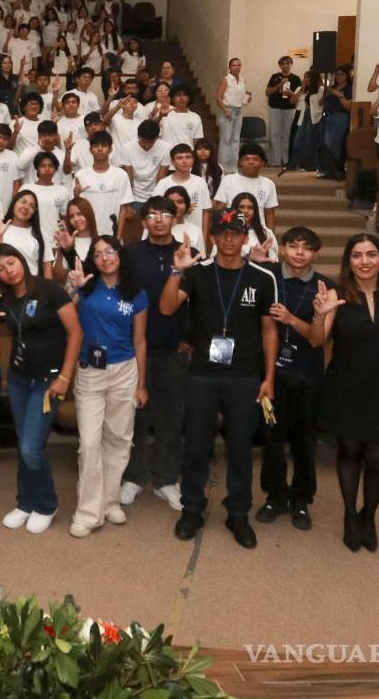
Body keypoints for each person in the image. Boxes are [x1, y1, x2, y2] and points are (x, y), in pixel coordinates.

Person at [160, 208, 277, 549]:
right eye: (222, 233)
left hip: (245, 375)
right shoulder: (196, 274)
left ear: (245, 238)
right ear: (212, 238)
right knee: (196, 445)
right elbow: (167, 308)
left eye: (236, 233)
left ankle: (237, 513)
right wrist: (175, 272)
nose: (229, 238)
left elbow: (269, 330)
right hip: (203, 374)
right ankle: (192, 509)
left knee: (241, 447)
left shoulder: (261, 277)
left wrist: (268, 378)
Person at [313, 234, 379, 552]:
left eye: (371, 254)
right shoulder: (336, 296)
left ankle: (368, 514)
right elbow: (317, 342)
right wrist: (319, 313)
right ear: (349, 262)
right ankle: (349, 515)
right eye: (357, 255)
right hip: (346, 386)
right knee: (350, 453)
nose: (365, 261)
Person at [0, 244, 82, 534]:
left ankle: (47, 504)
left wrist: (65, 377)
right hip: (20, 380)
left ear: (21, 260)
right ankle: (25, 502)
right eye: (1, 268)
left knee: (31, 448)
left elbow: (75, 333)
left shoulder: (50, 290)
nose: (9, 270)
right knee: (25, 445)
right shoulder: (4, 300)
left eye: (12, 262)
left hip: (48, 381)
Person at [67, 236, 147, 538]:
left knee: (119, 438)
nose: (104, 257)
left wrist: (142, 383)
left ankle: (110, 499)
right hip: (90, 372)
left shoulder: (136, 294)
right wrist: (74, 287)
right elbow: (64, 315)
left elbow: (140, 340)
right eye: (98, 253)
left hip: (124, 370)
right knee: (89, 442)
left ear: (120, 255)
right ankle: (88, 512)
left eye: (110, 251)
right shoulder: (85, 287)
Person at [257, 227, 332, 531]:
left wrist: (291, 319)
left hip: (307, 376)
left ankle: (301, 498)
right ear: (283, 248)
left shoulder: (326, 288)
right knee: (271, 436)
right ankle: (275, 496)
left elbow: (318, 340)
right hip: (271, 377)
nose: (300, 253)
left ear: (316, 253)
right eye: (293, 246)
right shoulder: (267, 277)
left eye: (307, 248)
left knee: (304, 440)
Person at [120, 197, 188, 511]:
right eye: (151, 215)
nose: (158, 220)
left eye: (164, 214)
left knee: (171, 419)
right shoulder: (131, 255)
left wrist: (189, 339)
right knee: (134, 416)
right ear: (144, 220)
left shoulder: (189, 255)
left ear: (176, 218)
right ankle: (132, 477)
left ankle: (166, 479)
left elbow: (198, 302)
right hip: (135, 349)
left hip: (174, 349)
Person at [265, 57, 301, 167]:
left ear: (291, 65)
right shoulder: (275, 77)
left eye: (288, 63)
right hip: (276, 108)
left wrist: (290, 93)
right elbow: (268, 92)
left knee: (288, 134)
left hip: (289, 109)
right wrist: (279, 85)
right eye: (283, 64)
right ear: (280, 65)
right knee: (275, 134)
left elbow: (300, 95)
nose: (286, 65)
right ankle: (275, 161)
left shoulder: (296, 78)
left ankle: (286, 160)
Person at [216, 58, 250, 171]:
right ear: (229, 67)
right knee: (226, 140)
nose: (237, 67)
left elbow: (243, 95)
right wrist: (225, 109)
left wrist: (247, 98)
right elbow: (218, 97)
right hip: (227, 110)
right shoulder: (226, 80)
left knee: (235, 139)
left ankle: (233, 166)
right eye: (234, 65)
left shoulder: (242, 80)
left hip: (238, 111)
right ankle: (223, 167)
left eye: (239, 65)